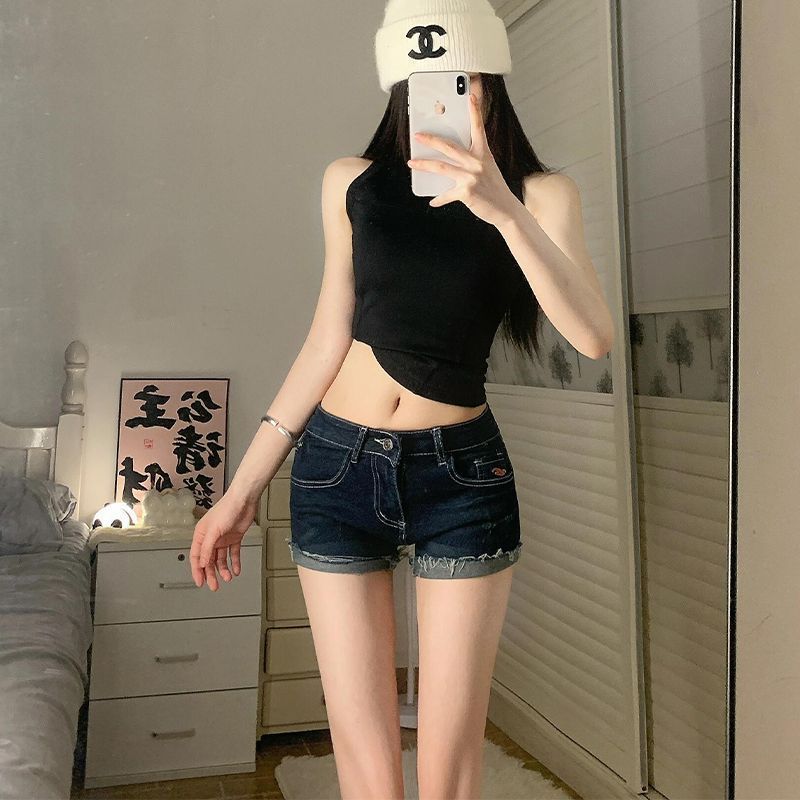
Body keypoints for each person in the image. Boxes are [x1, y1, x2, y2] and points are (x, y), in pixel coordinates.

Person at [190, 0, 614, 797]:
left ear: (489, 80)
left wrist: (501, 207)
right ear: (398, 86)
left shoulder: (541, 194)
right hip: (336, 466)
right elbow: (325, 341)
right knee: (366, 765)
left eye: (457, 77)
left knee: (449, 768)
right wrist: (240, 492)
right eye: (421, 80)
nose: (439, 95)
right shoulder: (351, 183)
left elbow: (593, 336)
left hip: (462, 477)